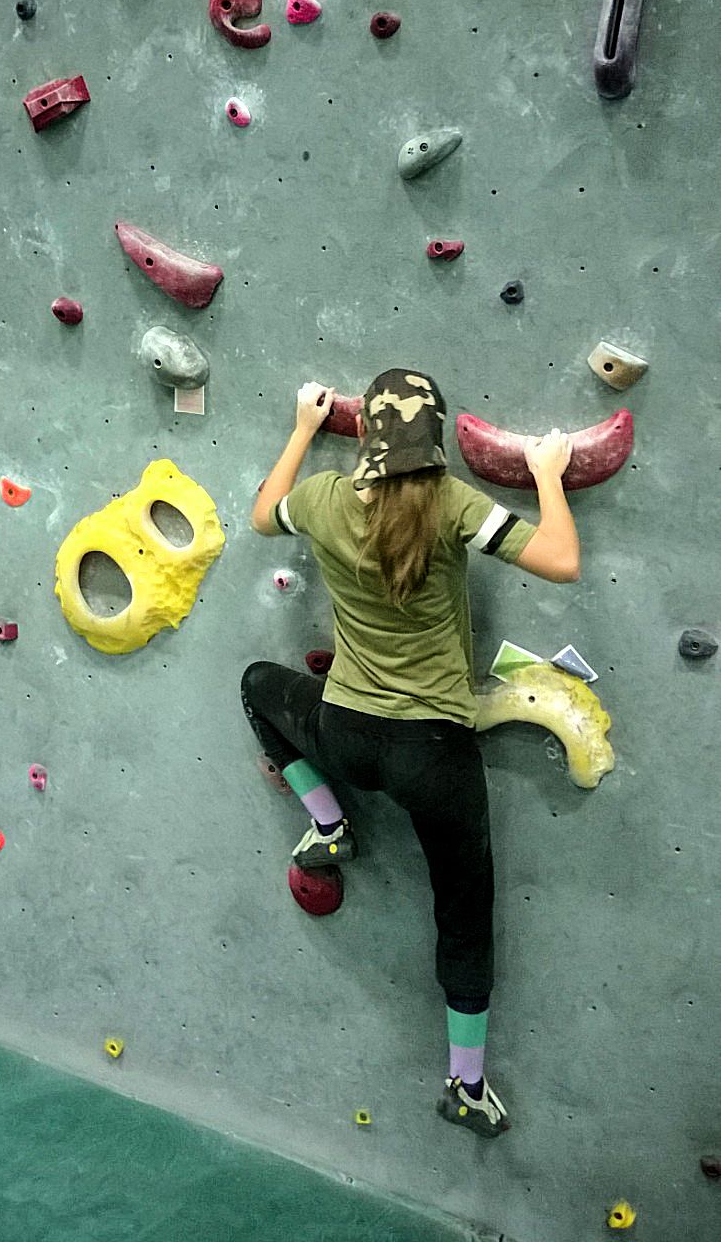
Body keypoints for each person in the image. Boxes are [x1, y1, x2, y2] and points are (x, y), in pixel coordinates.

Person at [243, 369, 579, 1138]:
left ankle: (327, 823)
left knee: (259, 687)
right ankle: (465, 1086)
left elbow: (264, 515)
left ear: (364, 435)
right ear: (434, 443)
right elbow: (561, 559)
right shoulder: (453, 503)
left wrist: (301, 426)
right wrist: (547, 477)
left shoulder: (326, 497)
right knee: (464, 919)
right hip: (433, 757)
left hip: (349, 736)